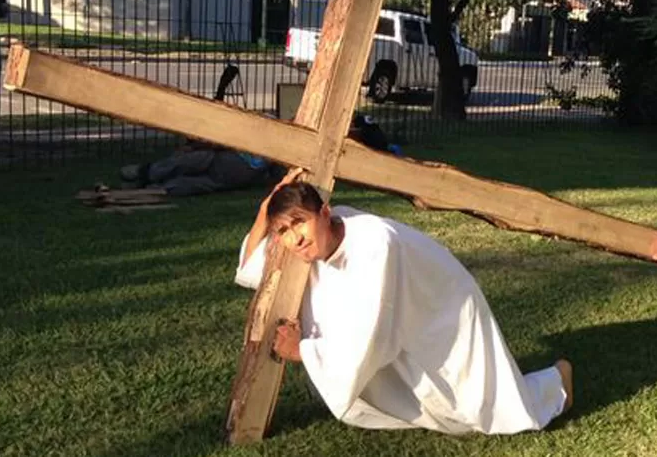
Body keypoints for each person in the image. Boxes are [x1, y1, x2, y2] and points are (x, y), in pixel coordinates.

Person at [233, 169, 574, 435]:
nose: (294, 239)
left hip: (441, 311)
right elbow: (254, 269)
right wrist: (265, 212)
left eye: (299, 223)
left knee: (478, 409)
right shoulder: (310, 244)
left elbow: (370, 332)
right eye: (282, 231)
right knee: (424, 409)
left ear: (324, 212)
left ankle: (557, 382)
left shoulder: (375, 244)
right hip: (401, 320)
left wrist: (304, 350)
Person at [119, 140, 278, 197]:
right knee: (195, 165)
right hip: (225, 165)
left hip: (231, 172)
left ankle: (150, 183)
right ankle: (148, 177)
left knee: (193, 177)